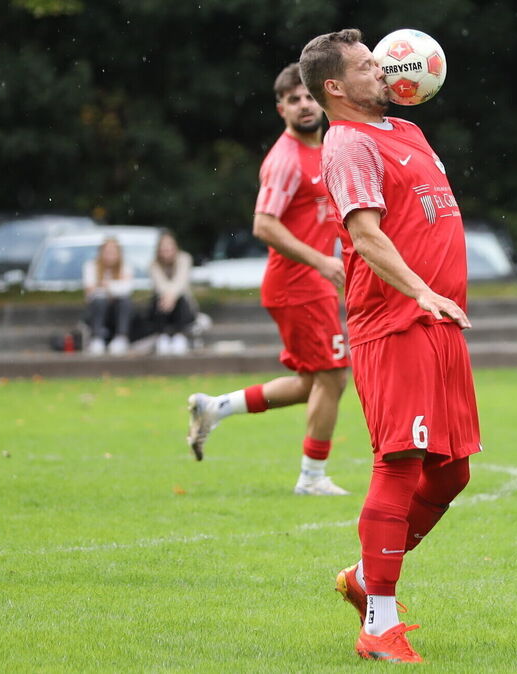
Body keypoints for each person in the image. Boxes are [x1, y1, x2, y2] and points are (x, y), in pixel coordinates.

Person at [299, 29, 480, 664]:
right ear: (334, 87)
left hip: (439, 323)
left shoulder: (407, 133)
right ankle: (378, 622)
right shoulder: (346, 143)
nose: (385, 73)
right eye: (368, 66)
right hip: (396, 323)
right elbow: (366, 237)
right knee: (400, 462)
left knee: (452, 471)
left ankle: (362, 576)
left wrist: (437, 300)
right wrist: (421, 291)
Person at [186, 63, 351, 496]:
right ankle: (311, 478)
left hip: (306, 284)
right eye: (293, 99)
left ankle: (215, 408)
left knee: (312, 384)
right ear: (281, 109)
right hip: (297, 285)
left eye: (308, 96)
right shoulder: (285, 159)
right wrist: (321, 261)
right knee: (333, 379)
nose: (304, 105)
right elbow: (264, 224)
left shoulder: (325, 148)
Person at [82, 237, 133, 356]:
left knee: (124, 302)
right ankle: (96, 338)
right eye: (107, 252)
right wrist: (116, 287)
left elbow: (127, 290)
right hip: (97, 311)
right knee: (100, 301)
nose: (109, 256)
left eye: (113, 252)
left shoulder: (125, 266)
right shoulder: (90, 266)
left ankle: (121, 337)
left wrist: (106, 285)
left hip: (116, 312)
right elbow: (90, 293)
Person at [148, 230, 196, 355]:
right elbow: (160, 285)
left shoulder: (184, 259)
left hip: (181, 304)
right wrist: (169, 296)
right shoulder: (154, 264)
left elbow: (181, 282)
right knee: (159, 301)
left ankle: (180, 335)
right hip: (163, 304)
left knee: (180, 300)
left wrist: (171, 296)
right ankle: (162, 336)